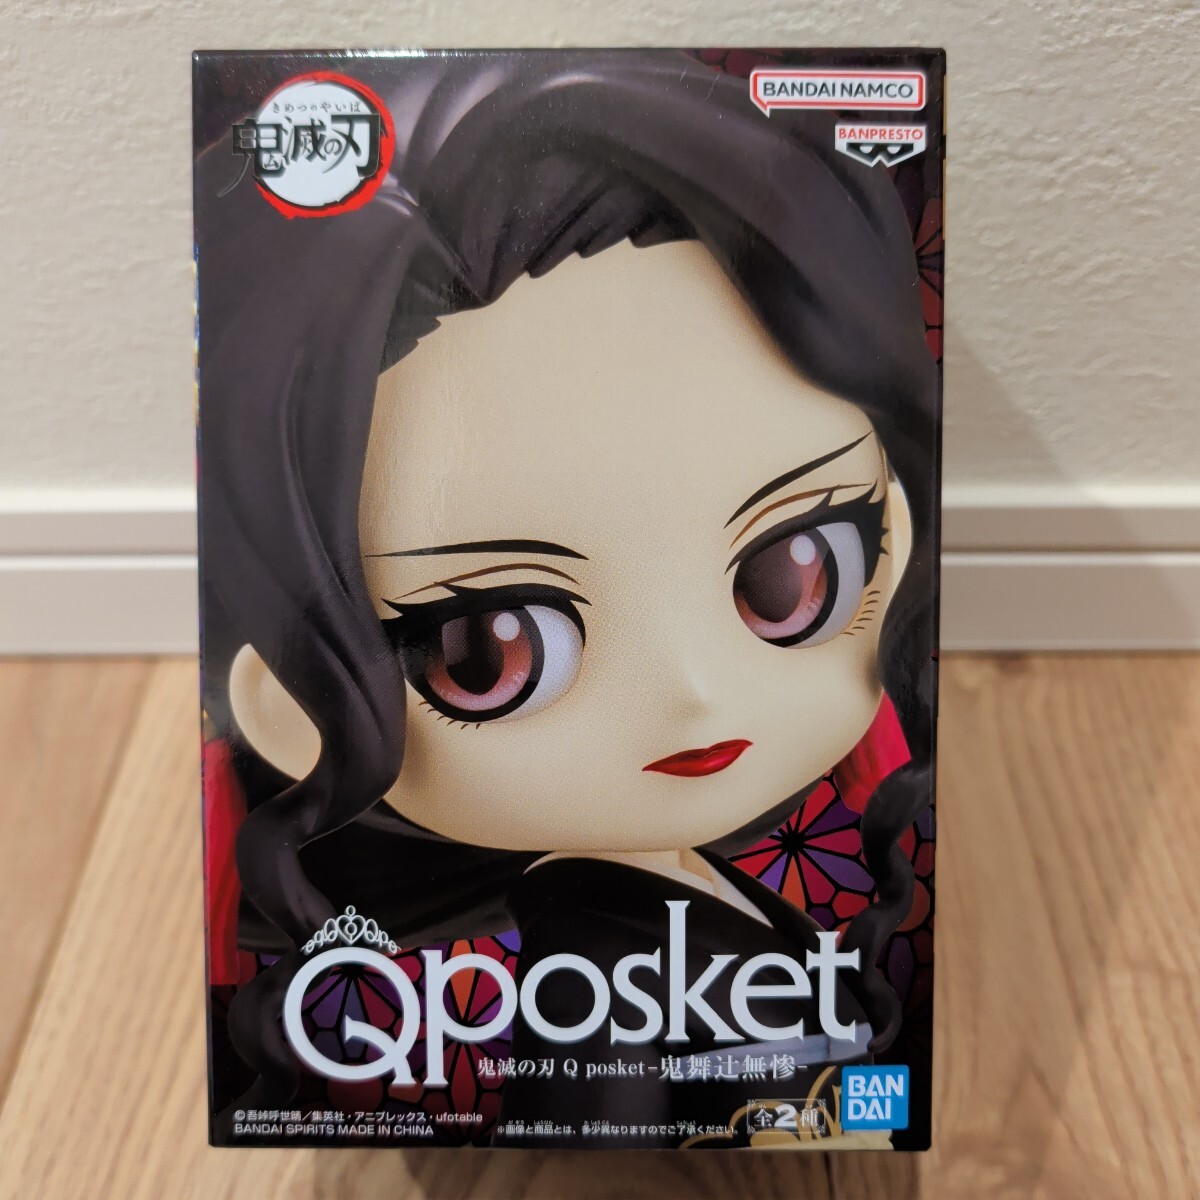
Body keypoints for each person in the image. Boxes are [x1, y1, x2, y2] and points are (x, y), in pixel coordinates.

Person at [197, 50, 939, 1149]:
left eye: (790, 575)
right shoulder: (599, 952)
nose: (693, 690)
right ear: (290, 705)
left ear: (898, 527)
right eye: (491, 651)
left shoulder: (660, 908)